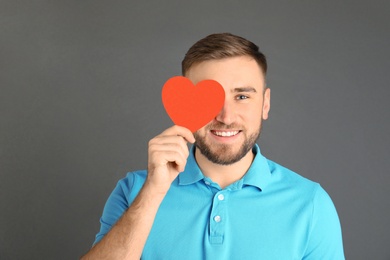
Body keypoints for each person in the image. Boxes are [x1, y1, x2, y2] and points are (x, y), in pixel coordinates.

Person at [81, 33, 344, 259]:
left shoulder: (310, 203)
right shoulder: (134, 191)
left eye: (242, 96)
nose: (226, 116)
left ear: (265, 104)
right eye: (209, 98)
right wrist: (153, 193)